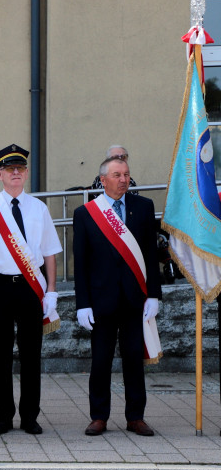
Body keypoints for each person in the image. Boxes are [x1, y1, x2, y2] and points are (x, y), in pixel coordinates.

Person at [0, 145, 62, 435]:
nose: (16, 173)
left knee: (32, 354)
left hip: (31, 286)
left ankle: (30, 416)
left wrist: (52, 291)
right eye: (10, 169)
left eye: (20, 169)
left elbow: (50, 253)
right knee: (1, 354)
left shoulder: (39, 208)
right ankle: (4, 416)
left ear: (26, 173)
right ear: (0, 174)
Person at [73, 155, 162, 436]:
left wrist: (154, 295)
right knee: (100, 360)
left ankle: (136, 416)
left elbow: (150, 254)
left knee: (134, 358)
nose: (124, 179)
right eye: (117, 175)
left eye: (126, 174)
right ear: (103, 180)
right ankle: (99, 416)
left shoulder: (144, 207)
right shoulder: (86, 213)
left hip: (135, 299)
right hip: (101, 301)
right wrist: (82, 304)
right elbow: (81, 263)